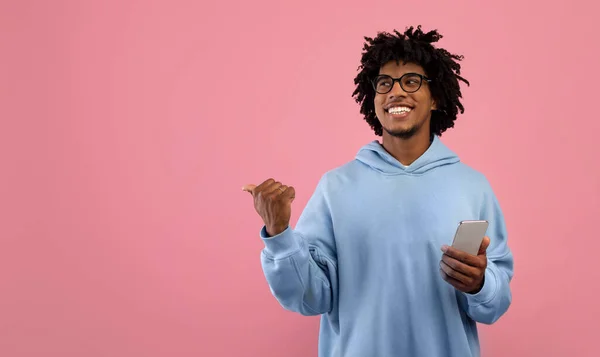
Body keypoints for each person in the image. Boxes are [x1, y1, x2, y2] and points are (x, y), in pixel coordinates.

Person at [242, 25, 513, 357]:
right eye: (385, 83)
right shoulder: (335, 187)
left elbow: (495, 304)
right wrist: (280, 233)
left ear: (436, 97)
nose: (396, 92)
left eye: (411, 81)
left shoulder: (472, 187)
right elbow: (310, 298)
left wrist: (480, 284)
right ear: (373, 99)